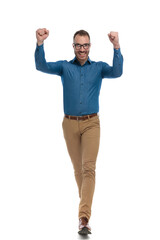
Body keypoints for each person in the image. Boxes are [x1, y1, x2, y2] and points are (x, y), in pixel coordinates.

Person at [35, 28, 123, 235]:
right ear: (73, 47)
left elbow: (117, 72)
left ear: (90, 46)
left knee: (88, 168)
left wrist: (116, 46)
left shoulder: (99, 68)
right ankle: (85, 204)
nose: (82, 49)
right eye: (78, 45)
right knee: (78, 170)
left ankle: (84, 218)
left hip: (92, 123)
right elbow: (41, 66)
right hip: (69, 124)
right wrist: (40, 44)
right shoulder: (65, 67)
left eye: (85, 45)